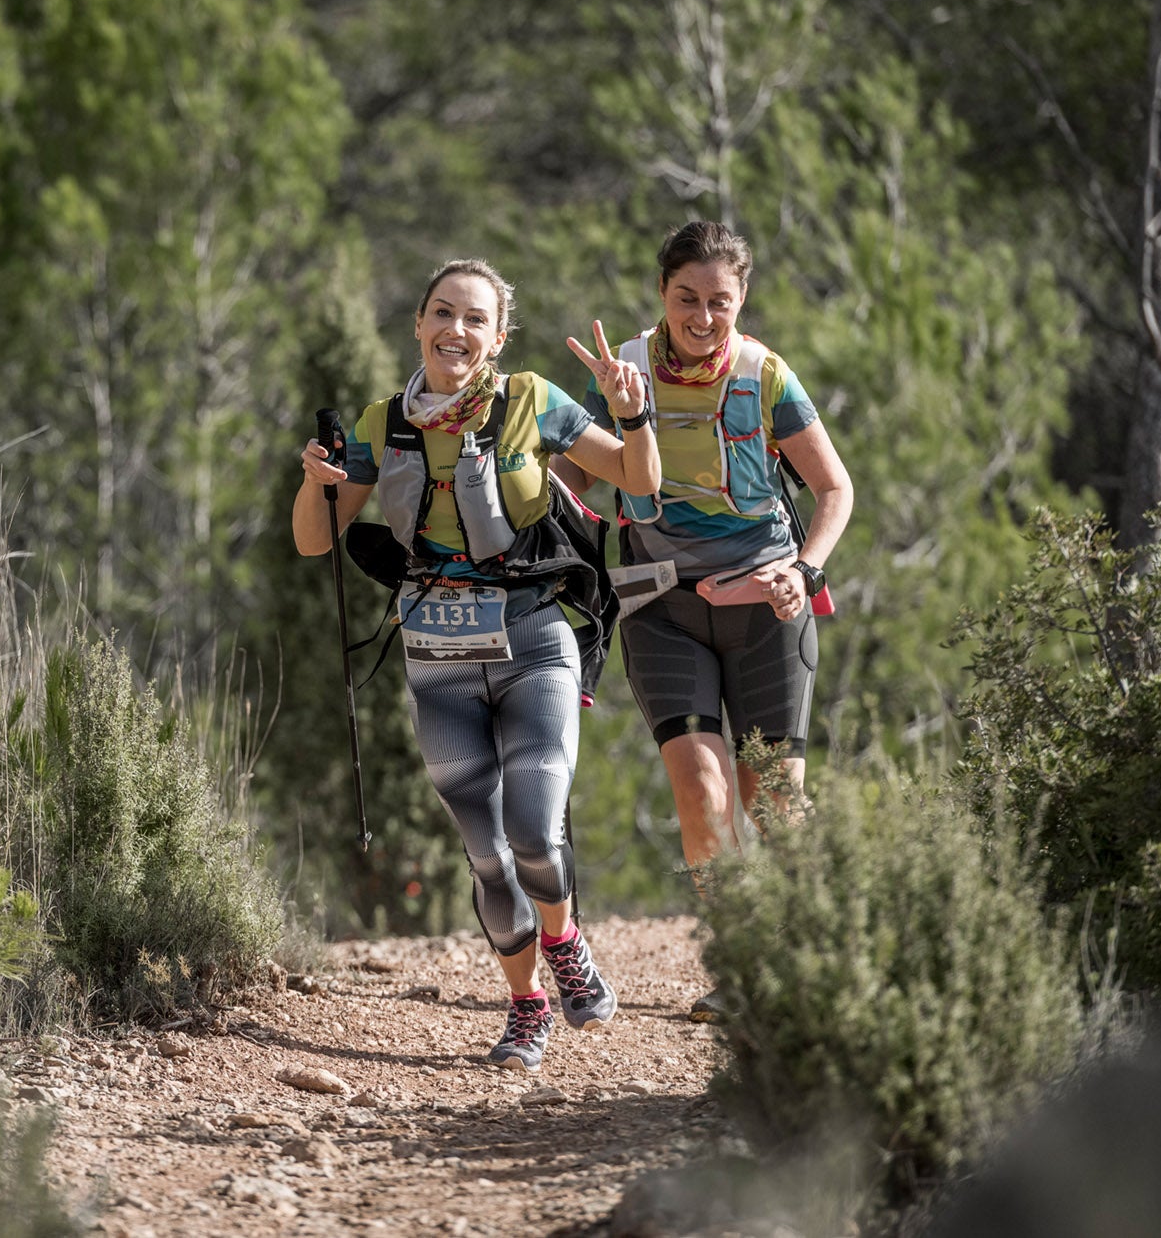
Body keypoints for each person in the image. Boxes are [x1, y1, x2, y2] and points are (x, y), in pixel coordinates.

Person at [293, 258, 660, 1072]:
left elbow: (639, 479)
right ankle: (527, 1007)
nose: (455, 330)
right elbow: (315, 539)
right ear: (419, 323)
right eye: (441, 313)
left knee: (533, 829)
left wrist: (636, 419)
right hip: (437, 657)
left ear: (498, 338)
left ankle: (564, 941)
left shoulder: (533, 399)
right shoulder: (378, 422)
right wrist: (315, 482)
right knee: (487, 854)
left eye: (474, 319)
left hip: (534, 640)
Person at [553, 221, 854, 1024]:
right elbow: (570, 472)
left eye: (720, 301)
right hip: (661, 605)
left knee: (774, 802)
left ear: (741, 300)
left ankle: (814, 955)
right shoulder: (623, 372)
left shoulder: (766, 375)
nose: (702, 316)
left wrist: (803, 568)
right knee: (700, 787)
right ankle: (744, 963)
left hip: (765, 606)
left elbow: (834, 490)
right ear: (662, 293)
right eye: (686, 297)